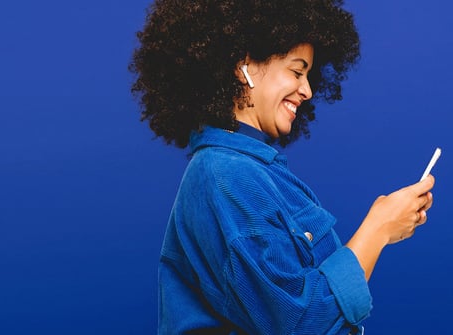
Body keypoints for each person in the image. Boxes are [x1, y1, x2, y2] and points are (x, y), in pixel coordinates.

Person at [130, 1, 435, 334]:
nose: (308, 90)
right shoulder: (227, 177)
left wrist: (385, 230)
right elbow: (302, 324)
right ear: (244, 66)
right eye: (296, 70)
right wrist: (378, 228)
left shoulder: (252, 171)